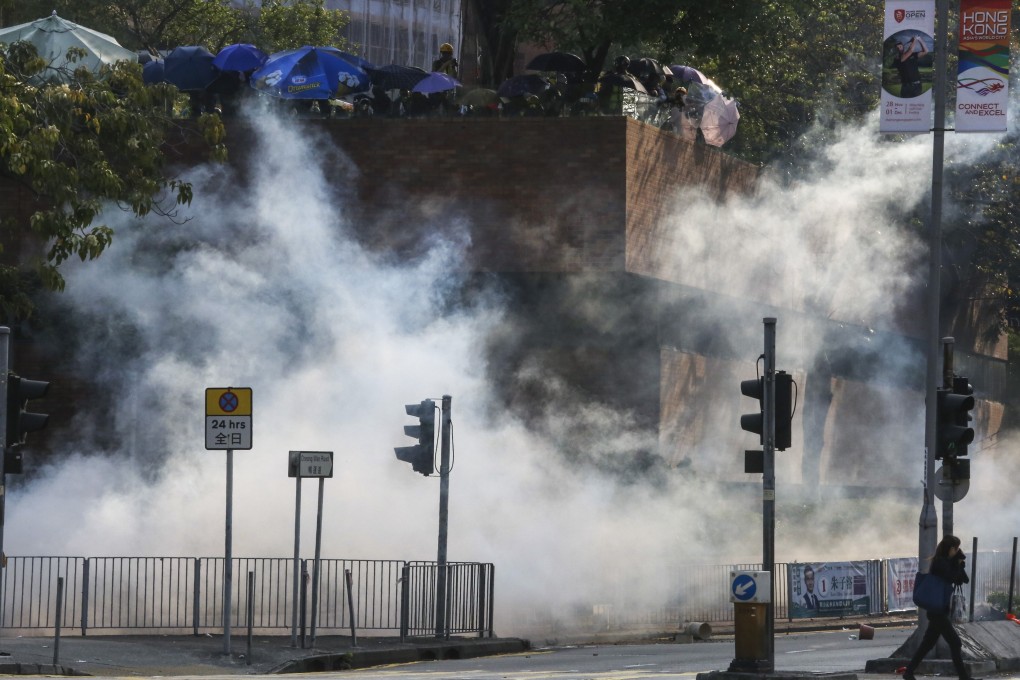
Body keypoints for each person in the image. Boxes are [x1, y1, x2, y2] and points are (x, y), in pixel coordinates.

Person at [903, 535, 972, 680]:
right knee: (955, 643)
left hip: (940, 611)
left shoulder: (948, 563)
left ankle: (908, 672)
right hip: (937, 612)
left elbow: (963, 580)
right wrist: (956, 564)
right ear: (951, 549)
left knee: (927, 644)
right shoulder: (939, 563)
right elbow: (951, 577)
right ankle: (963, 677)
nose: (957, 551)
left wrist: (959, 563)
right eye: (956, 549)